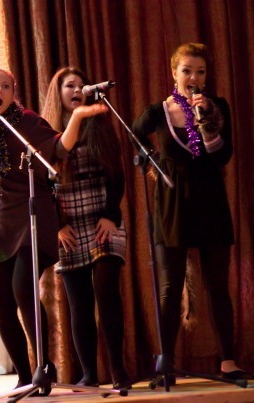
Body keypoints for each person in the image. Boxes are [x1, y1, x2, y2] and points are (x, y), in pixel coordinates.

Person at [0, 68, 108, 391]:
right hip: (5, 217)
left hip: (36, 213)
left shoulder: (28, 122)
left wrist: (78, 117)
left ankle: (43, 367)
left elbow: (60, 148)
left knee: (23, 288)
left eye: (6, 86)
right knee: (2, 299)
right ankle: (24, 377)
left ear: (14, 92)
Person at [131, 42, 253, 382]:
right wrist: (156, 163)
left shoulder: (217, 107)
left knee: (217, 285)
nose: (194, 77)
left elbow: (223, 156)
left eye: (200, 71)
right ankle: (166, 363)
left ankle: (228, 361)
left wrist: (207, 123)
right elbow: (135, 133)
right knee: (170, 287)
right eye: (187, 70)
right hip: (172, 203)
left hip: (210, 200)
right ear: (174, 73)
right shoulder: (158, 111)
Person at [41, 67, 131, 390]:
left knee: (106, 290)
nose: (77, 90)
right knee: (79, 302)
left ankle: (118, 370)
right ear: (58, 93)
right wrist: (58, 225)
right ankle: (89, 373)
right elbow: (44, 185)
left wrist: (110, 214)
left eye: (82, 85)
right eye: (70, 85)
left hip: (101, 220)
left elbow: (116, 173)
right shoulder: (47, 132)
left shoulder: (100, 127)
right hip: (69, 226)